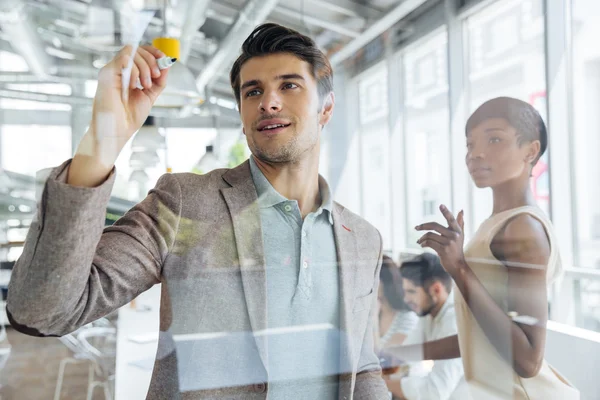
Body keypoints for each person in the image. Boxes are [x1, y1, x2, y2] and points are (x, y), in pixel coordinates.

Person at [6, 23, 389, 399]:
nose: (268, 102)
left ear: (326, 108)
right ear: (241, 115)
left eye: (289, 85)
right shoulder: (186, 202)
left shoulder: (364, 240)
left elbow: (362, 363)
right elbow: (43, 311)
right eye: (252, 91)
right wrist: (103, 140)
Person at [389, 97, 578, 399]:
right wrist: (401, 353)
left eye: (494, 139)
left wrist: (459, 268)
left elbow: (529, 359)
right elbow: (478, 337)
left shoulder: (522, 228)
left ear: (530, 150)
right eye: (469, 144)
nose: (475, 154)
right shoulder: (498, 224)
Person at [382, 252, 463, 400]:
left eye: (411, 292)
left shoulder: (454, 321)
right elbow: (406, 352)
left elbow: (434, 394)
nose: (406, 299)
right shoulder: (429, 312)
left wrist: (386, 383)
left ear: (436, 290)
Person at [376, 255, 417, 349]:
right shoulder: (375, 313)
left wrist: (371, 318)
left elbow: (383, 357)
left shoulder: (408, 318)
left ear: (386, 282)